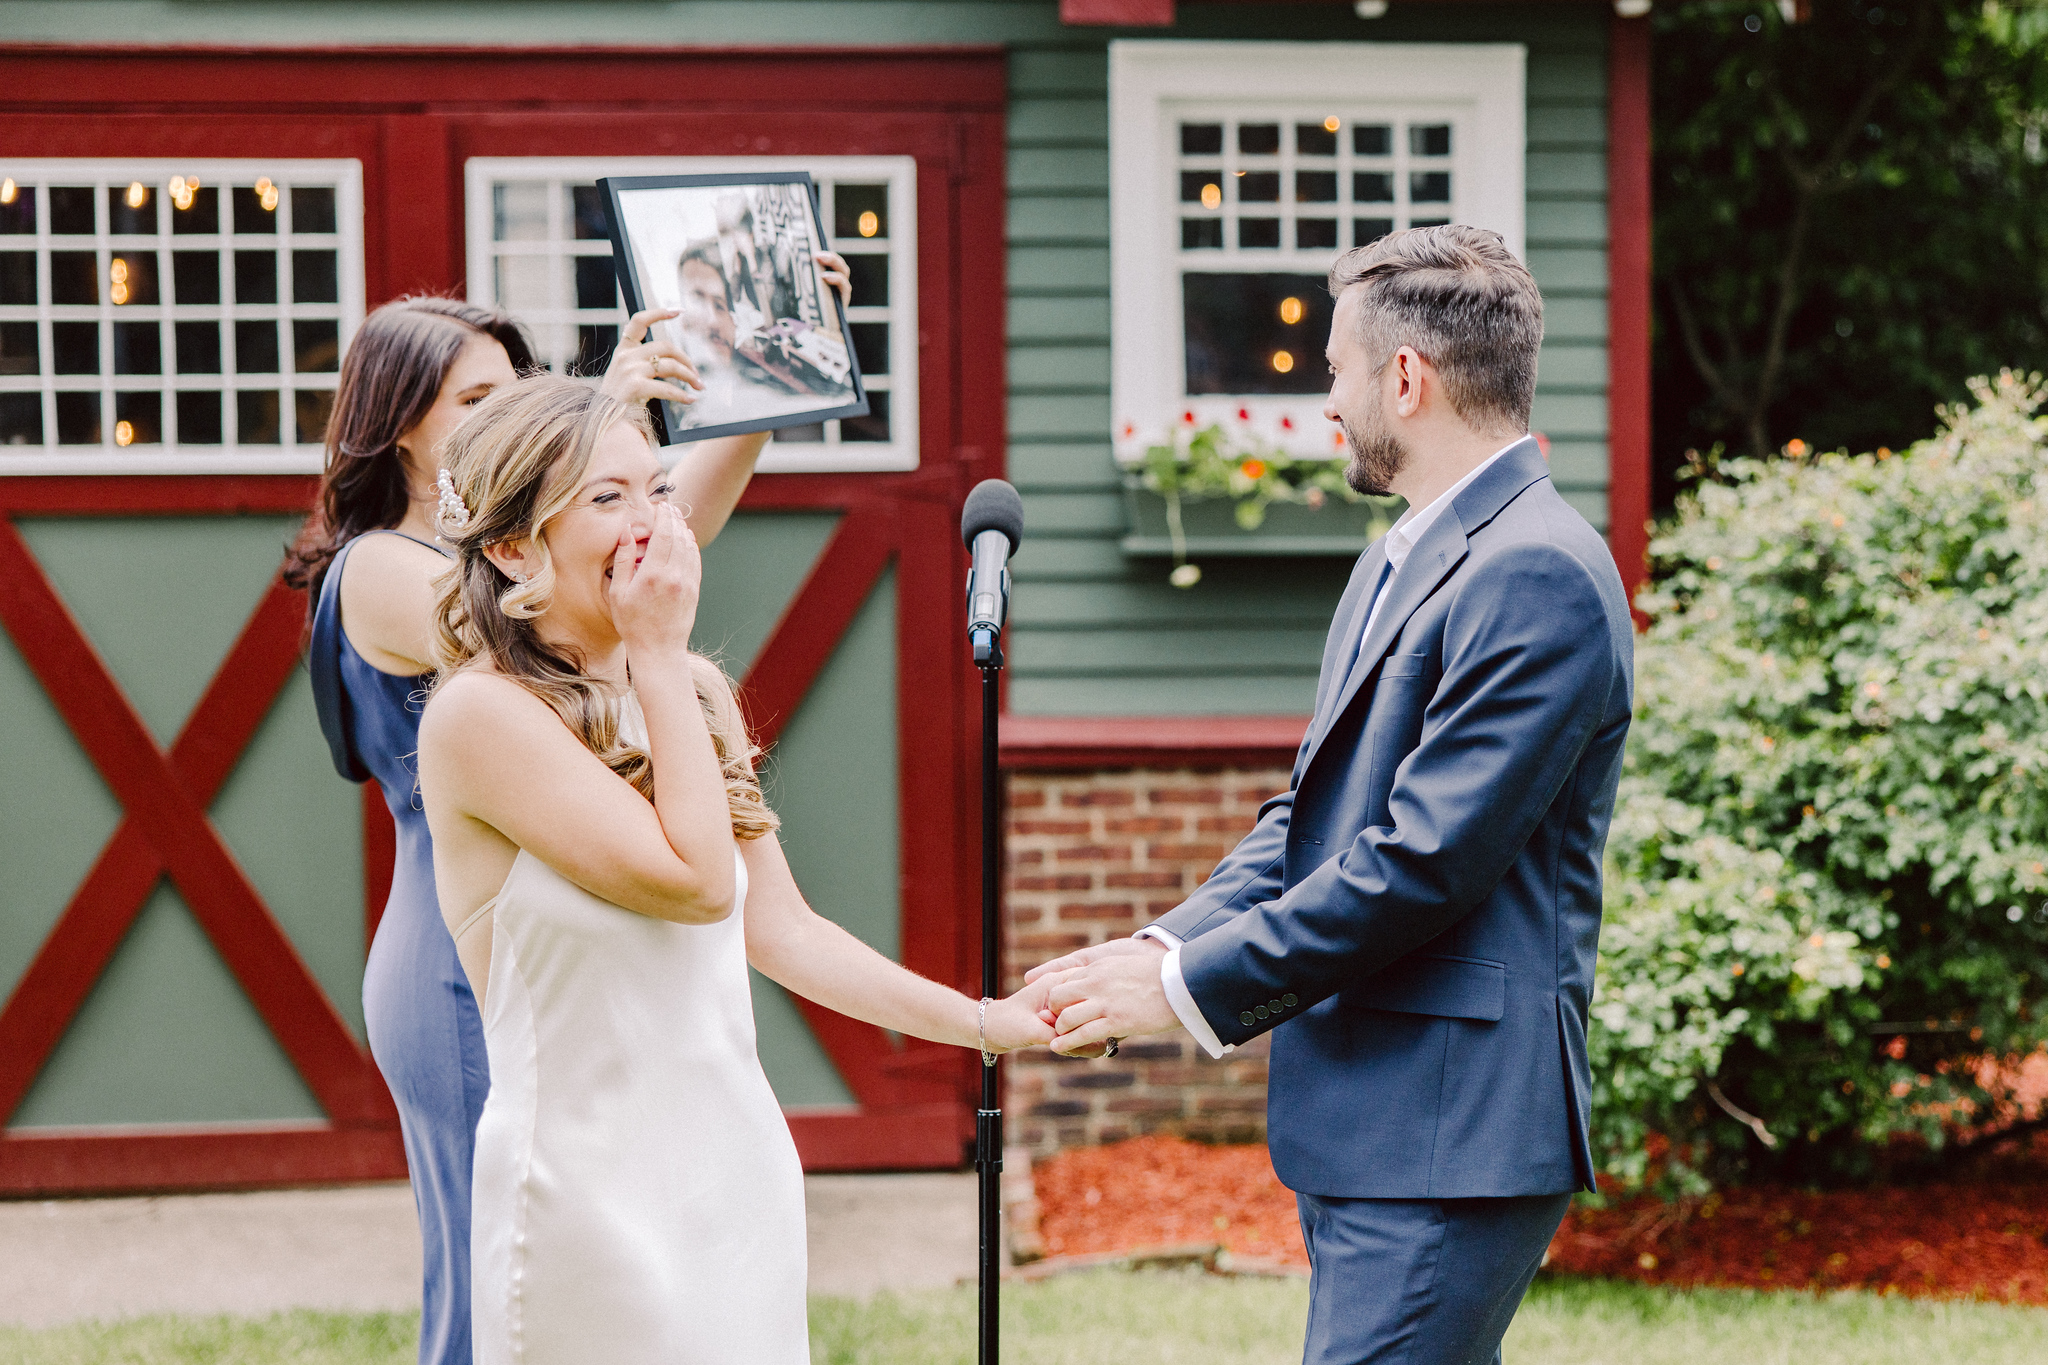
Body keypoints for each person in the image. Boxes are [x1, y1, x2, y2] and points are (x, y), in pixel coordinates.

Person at [1029, 225, 1636, 1365]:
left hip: (1449, 1130)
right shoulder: (1398, 558)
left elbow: (1419, 862)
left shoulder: (1535, 570)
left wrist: (1182, 990)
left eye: (1333, 370)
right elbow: (1314, 815)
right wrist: (1163, 943)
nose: (1324, 403)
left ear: (1403, 378)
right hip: (1381, 1118)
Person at [414, 375, 1052, 1364]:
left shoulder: (691, 691)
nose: (652, 522)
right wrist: (659, 652)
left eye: (659, 488)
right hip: (583, 1197)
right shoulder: (478, 717)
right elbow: (697, 885)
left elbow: (780, 929)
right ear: (510, 548)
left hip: (733, 1173)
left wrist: (984, 1024)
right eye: (607, 497)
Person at [288, 256, 848, 1365]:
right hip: (469, 950)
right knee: (498, 1277)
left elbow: (647, 537)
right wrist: (598, 422)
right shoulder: (379, 569)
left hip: (575, 924)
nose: (510, 409)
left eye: (520, 387)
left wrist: (766, 369)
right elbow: (526, 594)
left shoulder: (531, 535)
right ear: (399, 431)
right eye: (478, 399)